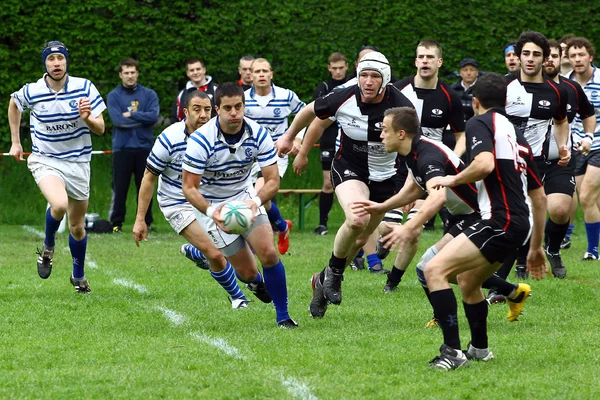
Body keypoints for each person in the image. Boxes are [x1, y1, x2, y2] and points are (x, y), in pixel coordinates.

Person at [351, 106, 539, 326]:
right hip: (461, 216)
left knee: (427, 268)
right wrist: (380, 206)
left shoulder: (428, 156)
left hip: (477, 216)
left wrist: (410, 227)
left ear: (401, 134)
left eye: (384, 129)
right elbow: (412, 190)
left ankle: (445, 321)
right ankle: (512, 292)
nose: (380, 134)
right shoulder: (413, 152)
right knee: (451, 272)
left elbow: (438, 197)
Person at [423, 72, 548, 370]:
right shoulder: (515, 134)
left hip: (499, 220)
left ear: (475, 101)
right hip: (518, 223)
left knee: (433, 270)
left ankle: (452, 352)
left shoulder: (479, 122)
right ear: (505, 101)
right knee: (468, 280)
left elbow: (483, 164)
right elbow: (539, 196)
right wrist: (536, 246)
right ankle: (479, 349)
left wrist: (451, 178)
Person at [276, 51, 415, 318]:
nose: (368, 81)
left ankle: (323, 279)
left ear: (385, 79)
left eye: (375, 76)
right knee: (356, 220)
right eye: (364, 75)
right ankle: (336, 274)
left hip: (385, 176)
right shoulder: (344, 95)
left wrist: (411, 183)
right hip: (350, 168)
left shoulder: (401, 107)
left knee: (363, 238)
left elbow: (413, 149)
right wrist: (289, 137)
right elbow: (310, 112)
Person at [181, 82, 297, 328]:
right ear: (217, 109)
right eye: (227, 108)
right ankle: (255, 282)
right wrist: (213, 213)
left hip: (245, 197)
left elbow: (273, 180)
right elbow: (189, 187)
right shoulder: (201, 140)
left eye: (238, 106)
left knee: (268, 252)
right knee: (247, 272)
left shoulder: (259, 134)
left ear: (244, 106)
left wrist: (254, 202)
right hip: (212, 206)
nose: (234, 113)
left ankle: (283, 316)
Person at [132, 91, 251, 309]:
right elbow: (149, 177)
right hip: (177, 202)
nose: (203, 115)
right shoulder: (169, 139)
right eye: (196, 109)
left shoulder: (222, 134)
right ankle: (238, 297)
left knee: (243, 244)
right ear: (185, 112)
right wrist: (140, 219)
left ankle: (197, 252)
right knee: (215, 253)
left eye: (207, 109)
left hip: (210, 198)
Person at [8, 41, 106, 292]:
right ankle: (48, 247)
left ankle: (78, 276)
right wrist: (16, 142)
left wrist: (87, 118)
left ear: (66, 62)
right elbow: (14, 104)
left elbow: (101, 129)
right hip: (45, 159)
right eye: (51, 59)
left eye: (60, 59)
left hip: (79, 162)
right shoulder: (33, 90)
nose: (56, 63)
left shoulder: (84, 87)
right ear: (45, 63)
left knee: (77, 226)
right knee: (59, 204)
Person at [499, 31, 570, 280]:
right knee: (517, 219)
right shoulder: (503, 86)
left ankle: (548, 249)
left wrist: (563, 145)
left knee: (556, 209)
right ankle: (508, 272)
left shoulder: (557, 92)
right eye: (526, 53)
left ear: (544, 59)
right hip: (507, 165)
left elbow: (562, 121)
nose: (530, 59)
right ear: (518, 57)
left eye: (536, 54)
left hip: (541, 164)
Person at [541, 40, 595, 274]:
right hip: (527, 158)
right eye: (547, 56)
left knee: (568, 205)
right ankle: (521, 259)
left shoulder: (571, 88)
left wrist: (589, 137)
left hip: (565, 155)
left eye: (555, 55)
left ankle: (557, 248)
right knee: (526, 209)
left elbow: (588, 114)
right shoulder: (517, 86)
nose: (550, 60)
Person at [244, 58, 305, 254]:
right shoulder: (243, 99)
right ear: (250, 76)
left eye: (265, 71)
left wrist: (297, 139)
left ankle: (255, 243)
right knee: (265, 199)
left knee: (258, 193)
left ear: (271, 74)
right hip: (250, 155)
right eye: (257, 71)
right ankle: (281, 226)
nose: (261, 75)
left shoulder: (286, 96)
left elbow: (306, 113)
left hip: (276, 154)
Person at [107, 58, 160, 233]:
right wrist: (142, 119)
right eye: (126, 73)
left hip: (144, 148)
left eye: (133, 72)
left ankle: (147, 222)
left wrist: (131, 114)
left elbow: (154, 118)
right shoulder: (113, 96)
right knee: (120, 187)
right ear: (121, 75)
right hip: (122, 148)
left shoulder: (149, 94)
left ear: (137, 73)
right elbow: (118, 121)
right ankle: (116, 223)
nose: (130, 76)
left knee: (145, 186)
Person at [567, 37, 600, 261]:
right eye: (573, 56)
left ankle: (592, 251)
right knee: (590, 198)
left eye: (581, 55)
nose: (577, 59)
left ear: (590, 56)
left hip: (599, 144)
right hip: (578, 145)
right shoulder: (566, 83)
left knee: (587, 196)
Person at [312, 51, 350, 235]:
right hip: (328, 139)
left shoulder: (354, 85)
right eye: (334, 68)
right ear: (329, 68)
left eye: (341, 68)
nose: (337, 72)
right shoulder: (323, 88)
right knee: (328, 183)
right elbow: (318, 114)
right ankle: (322, 224)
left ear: (347, 67)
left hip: (348, 139)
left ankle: (350, 221)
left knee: (352, 181)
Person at [172, 57, 218, 122]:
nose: (195, 72)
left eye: (198, 69)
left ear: (204, 70)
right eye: (192, 70)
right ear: (187, 73)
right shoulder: (181, 95)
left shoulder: (216, 90)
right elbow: (176, 119)